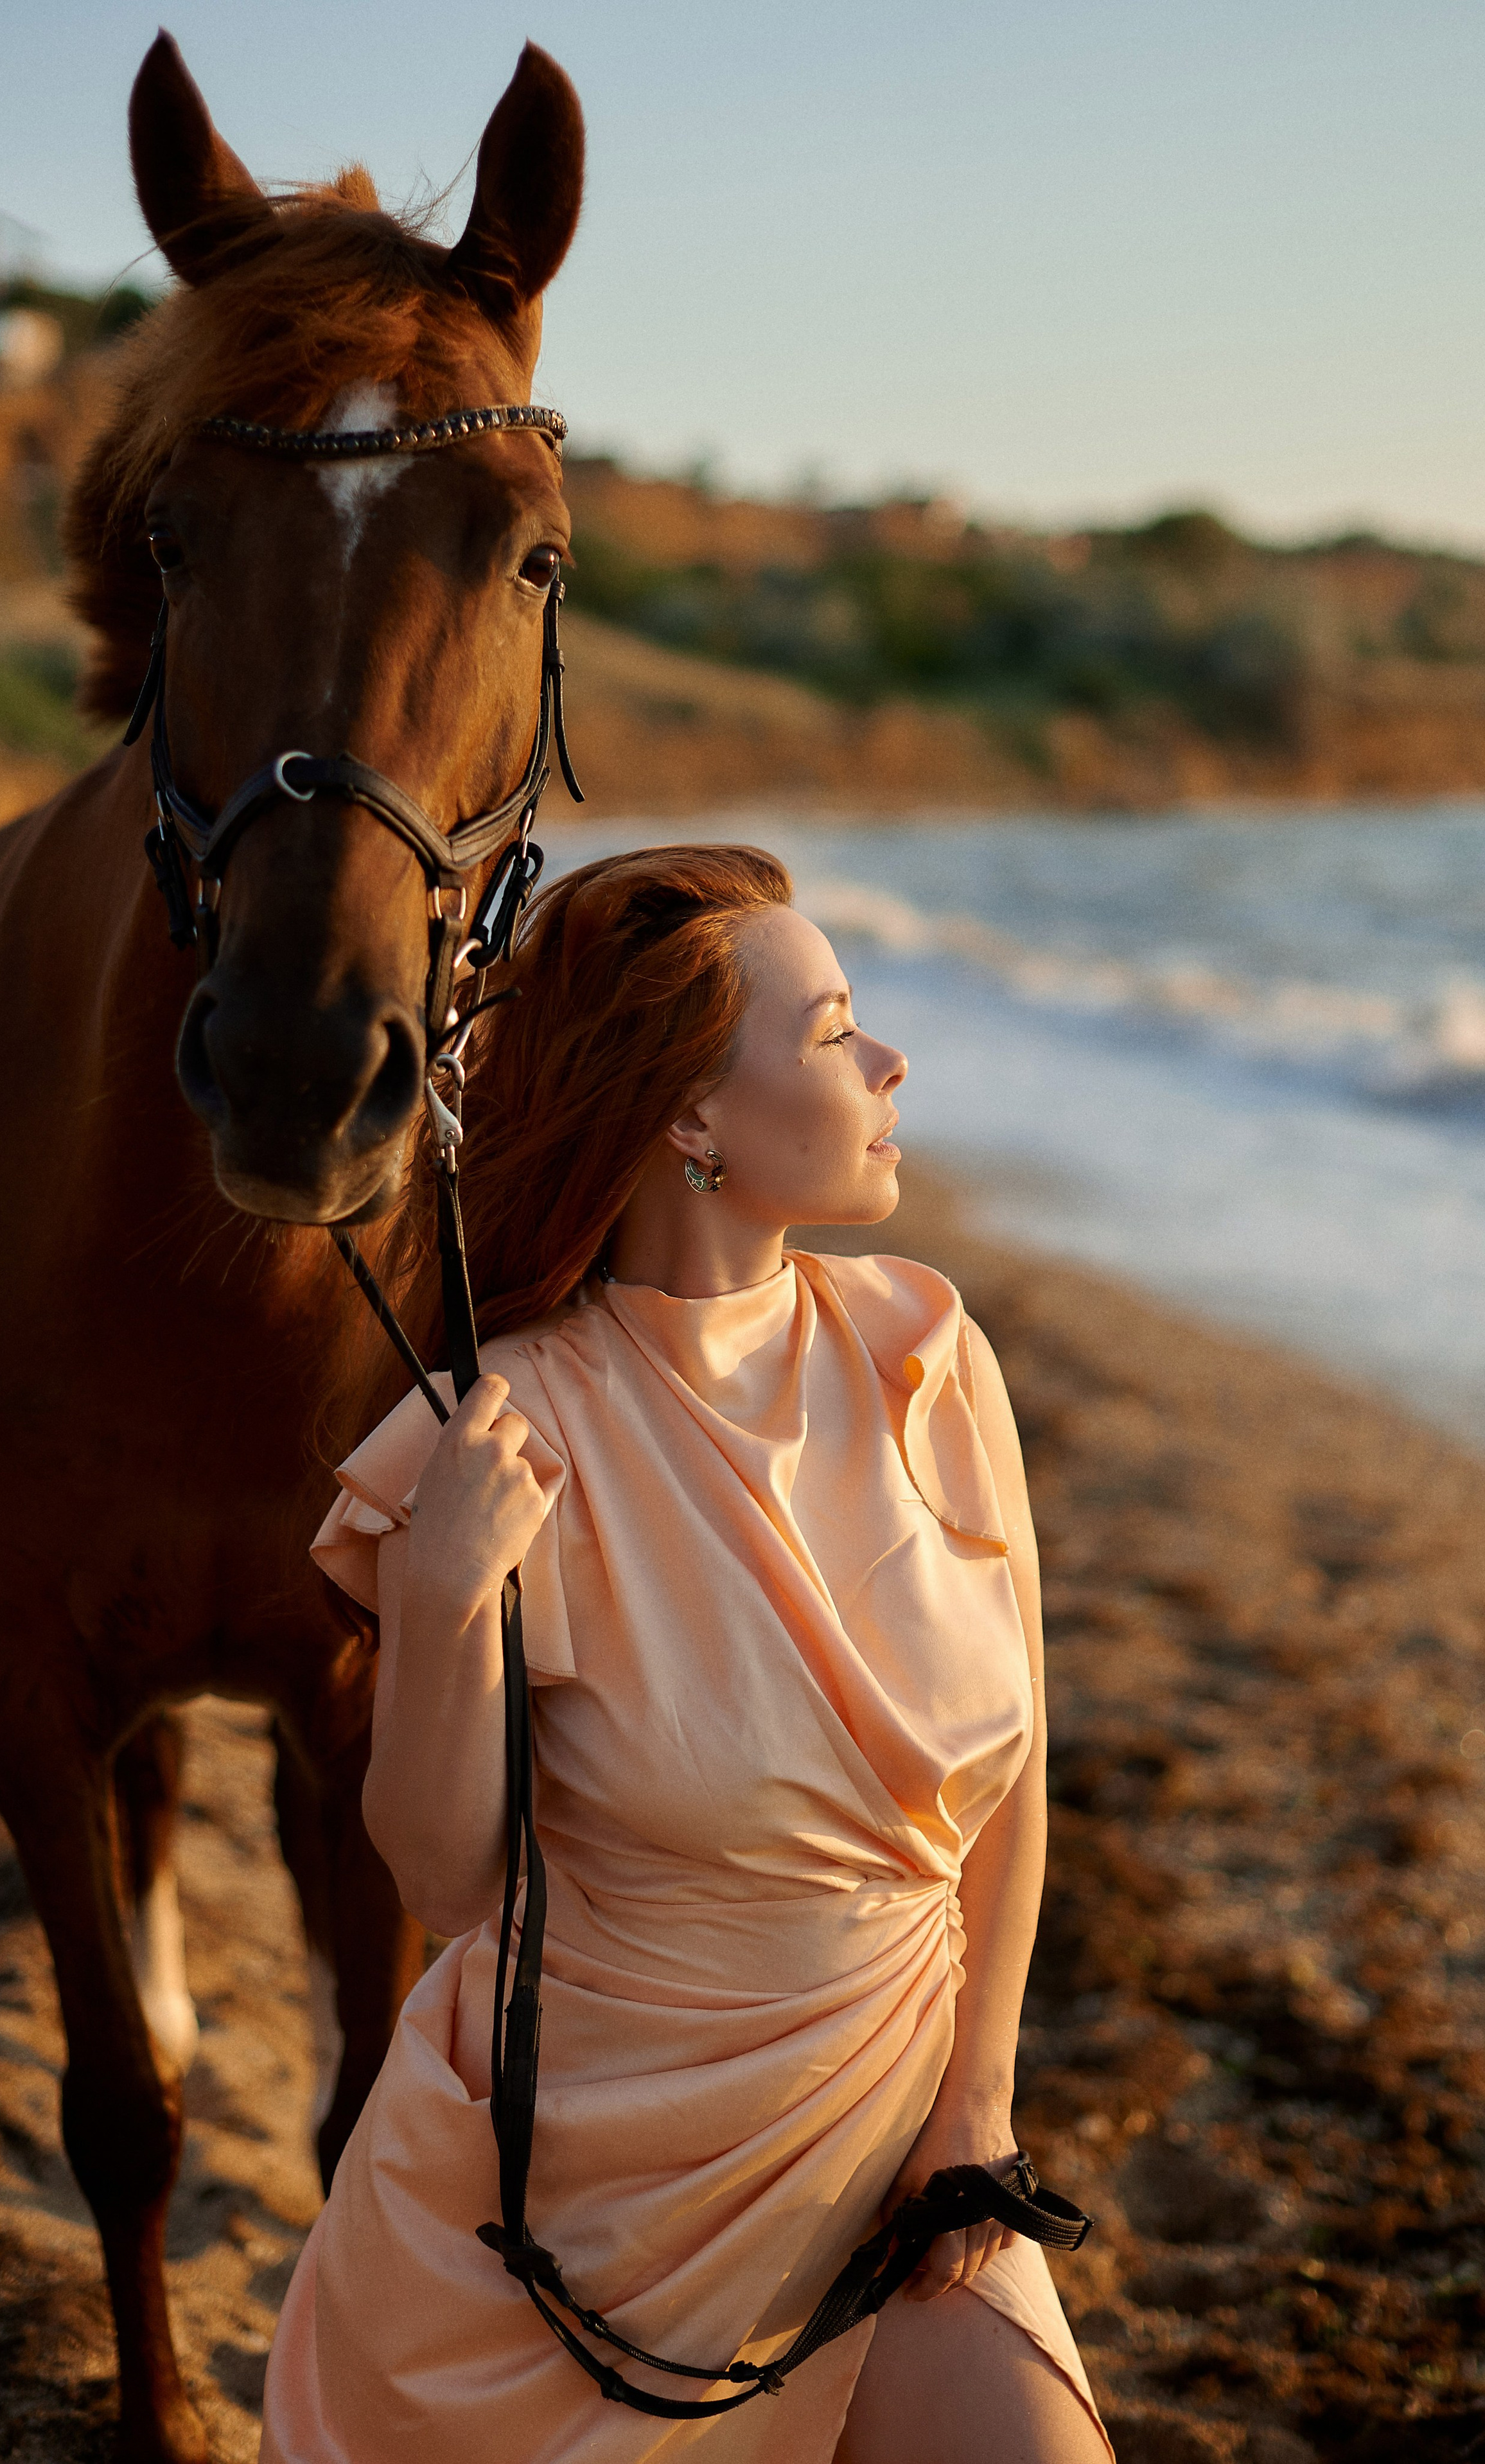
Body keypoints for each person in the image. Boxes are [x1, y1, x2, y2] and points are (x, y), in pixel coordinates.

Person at [260, 846, 1111, 2464]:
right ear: (693, 1120)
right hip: (591, 2206)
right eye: (834, 1030)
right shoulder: (505, 1428)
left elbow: (1012, 1786)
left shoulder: (930, 1352)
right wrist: (442, 1594)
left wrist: (976, 2111)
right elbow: (447, 1882)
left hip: (901, 2146)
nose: (887, 1063)